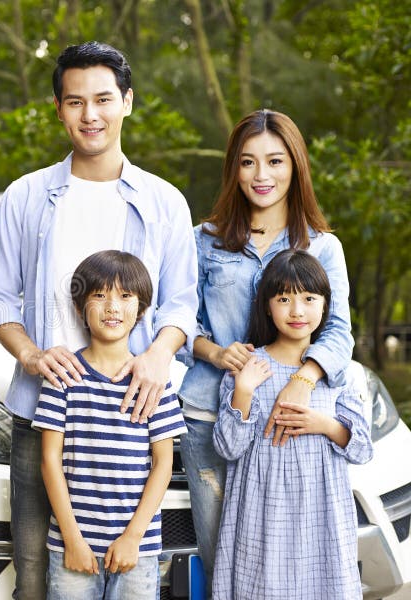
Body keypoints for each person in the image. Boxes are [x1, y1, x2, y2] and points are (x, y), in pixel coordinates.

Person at [0, 41, 198, 599]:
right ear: (58, 108)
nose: (90, 115)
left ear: (128, 101)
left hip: (132, 417)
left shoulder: (164, 201)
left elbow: (179, 304)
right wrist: (29, 354)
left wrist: (157, 355)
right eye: (75, 102)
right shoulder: (26, 197)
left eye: (103, 99)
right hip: (44, 412)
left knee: (135, 573)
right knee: (38, 573)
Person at [176, 109, 354, 590]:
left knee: (297, 562)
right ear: (234, 168)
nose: (262, 175)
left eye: (275, 161)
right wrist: (215, 353)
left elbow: (339, 332)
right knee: (226, 563)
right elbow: (172, 324)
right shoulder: (204, 241)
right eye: (248, 162)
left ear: (294, 165)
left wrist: (304, 379)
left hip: (294, 424)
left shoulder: (321, 247)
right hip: (213, 419)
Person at [212, 249, 372, 599]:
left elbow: (362, 448)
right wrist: (243, 389)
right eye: (283, 298)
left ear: (326, 306)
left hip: (322, 508)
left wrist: (324, 424)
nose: (297, 310)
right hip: (263, 510)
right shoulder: (249, 365)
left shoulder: (335, 371)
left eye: (308, 298)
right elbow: (227, 447)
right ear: (267, 305)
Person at [34, 250, 187, 599]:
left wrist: (133, 537)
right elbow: (49, 461)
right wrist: (72, 539)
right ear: (79, 309)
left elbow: (163, 464)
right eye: (99, 295)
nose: (112, 307)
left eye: (125, 296)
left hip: (138, 548)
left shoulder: (153, 381)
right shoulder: (63, 376)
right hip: (72, 546)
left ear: (142, 308)